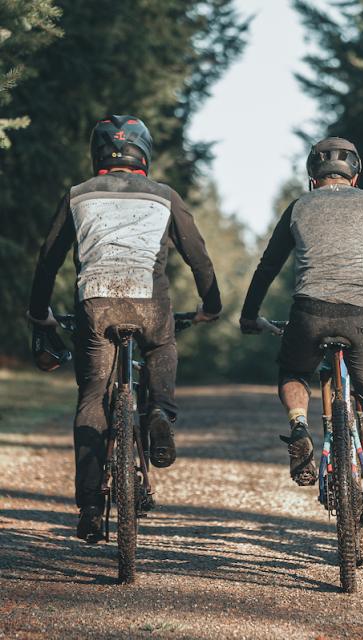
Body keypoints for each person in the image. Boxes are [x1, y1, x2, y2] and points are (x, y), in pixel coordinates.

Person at [27, 114, 222, 542]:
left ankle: (91, 507)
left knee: (93, 396)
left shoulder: (78, 195)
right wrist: (211, 306)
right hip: (150, 302)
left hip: (95, 302)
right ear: (144, 153)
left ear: (98, 153)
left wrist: (39, 311)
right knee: (161, 347)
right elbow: (198, 258)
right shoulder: (165, 196)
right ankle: (159, 412)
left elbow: (49, 258)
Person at [239, 136, 363, 533]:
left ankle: (299, 426)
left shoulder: (299, 206)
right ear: (356, 175)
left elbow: (267, 266)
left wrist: (249, 315)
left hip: (308, 314)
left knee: (294, 373)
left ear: (313, 177)